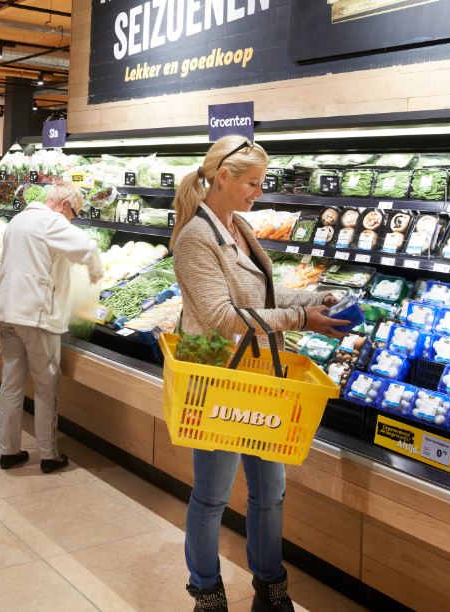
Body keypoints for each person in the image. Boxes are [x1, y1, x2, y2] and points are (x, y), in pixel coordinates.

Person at [171, 136, 352, 612]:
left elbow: (262, 296)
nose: (259, 192)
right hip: (216, 376)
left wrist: (317, 301)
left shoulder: (242, 228)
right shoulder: (195, 238)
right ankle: (206, 590)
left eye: (262, 182)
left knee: (270, 491)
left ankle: (271, 586)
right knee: (212, 496)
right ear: (223, 177)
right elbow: (220, 316)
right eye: (252, 182)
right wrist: (299, 320)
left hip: (258, 375)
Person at [0, 182, 102, 474]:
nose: (72, 220)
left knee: (11, 383)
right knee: (46, 386)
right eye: (74, 214)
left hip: (7, 312)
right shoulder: (50, 221)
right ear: (64, 205)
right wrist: (96, 274)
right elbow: (87, 248)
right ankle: (49, 456)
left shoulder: (18, 220)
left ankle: (8, 451)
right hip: (36, 316)